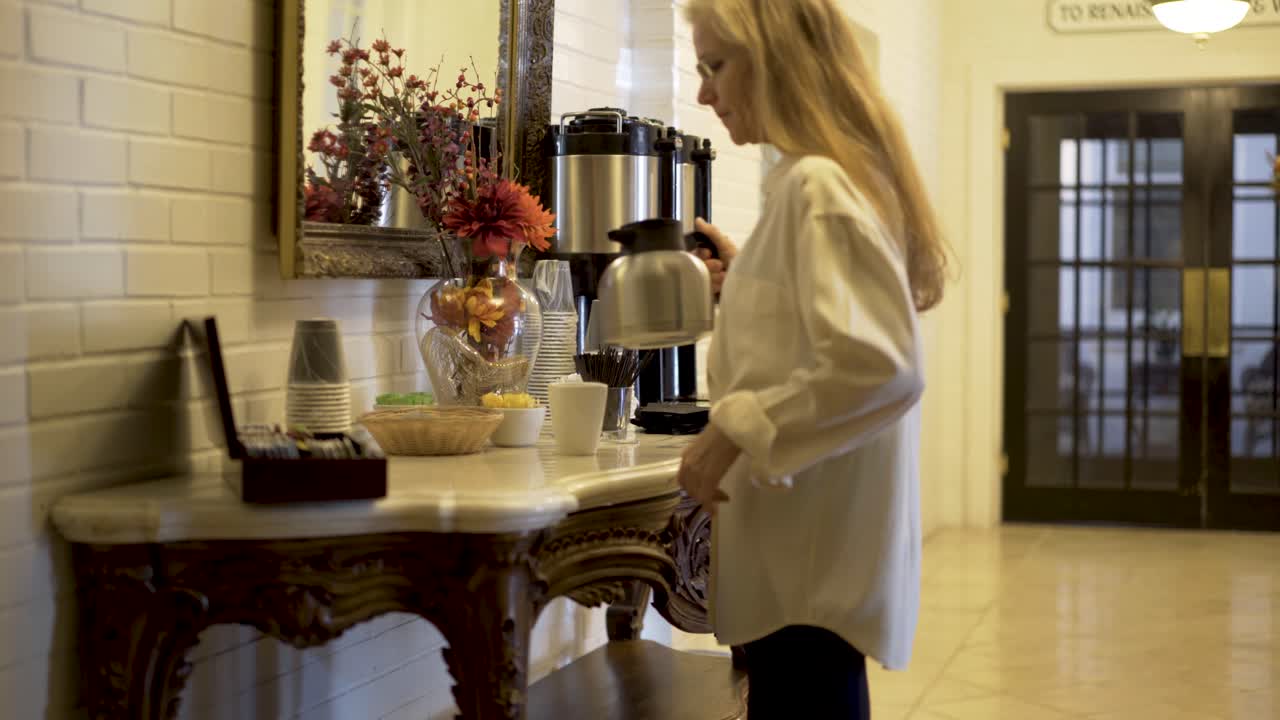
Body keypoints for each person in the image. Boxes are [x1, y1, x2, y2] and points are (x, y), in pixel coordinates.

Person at [674, 0, 950, 717]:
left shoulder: (816, 186)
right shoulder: (815, 181)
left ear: (775, 59)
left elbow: (881, 364)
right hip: (808, 564)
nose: (706, 92)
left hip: (807, 573)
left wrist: (729, 431)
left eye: (716, 65)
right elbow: (822, 341)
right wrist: (755, 283)